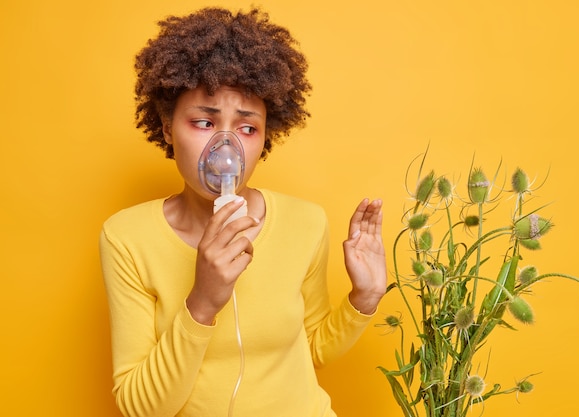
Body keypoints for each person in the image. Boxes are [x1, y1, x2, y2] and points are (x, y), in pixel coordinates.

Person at [99, 7, 387, 417]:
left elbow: (312, 350)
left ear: (266, 135)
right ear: (166, 126)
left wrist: (365, 297)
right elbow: (139, 408)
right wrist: (202, 300)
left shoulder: (306, 222)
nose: (226, 148)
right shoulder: (126, 238)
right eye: (203, 122)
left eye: (248, 128)